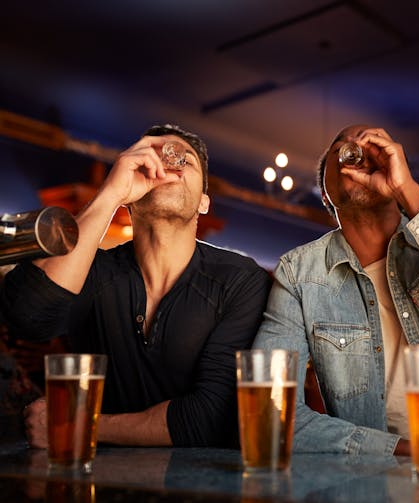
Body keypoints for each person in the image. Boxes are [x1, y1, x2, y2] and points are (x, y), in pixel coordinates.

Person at [253, 124, 419, 459]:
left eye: (372, 147)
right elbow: (271, 409)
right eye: (343, 149)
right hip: (372, 477)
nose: (359, 154)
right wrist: (400, 451)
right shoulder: (299, 274)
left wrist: (406, 188)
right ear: (325, 193)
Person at [0, 124, 271, 447]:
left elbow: (210, 418)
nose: (170, 166)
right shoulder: (94, 271)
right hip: (98, 482)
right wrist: (110, 194)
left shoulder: (240, 280)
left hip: (203, 486)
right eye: (152, 159)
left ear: (203, 202)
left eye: (187, 161)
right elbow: (28, 317)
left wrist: (77, 424)